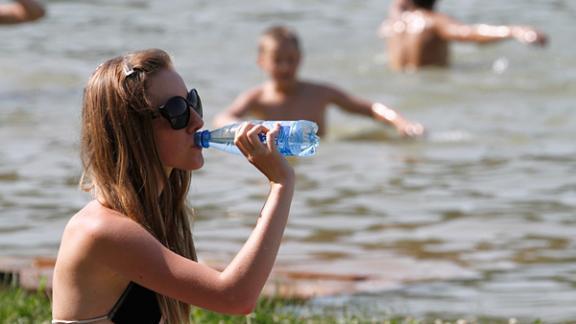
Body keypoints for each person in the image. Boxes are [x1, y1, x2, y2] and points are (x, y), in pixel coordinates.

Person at [51, 49, 295, 323]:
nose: (197, 121)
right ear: (133, 131)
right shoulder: (100, 230)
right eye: (177, 111)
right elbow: (235, 297)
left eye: (193, 102)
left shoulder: (156, 215)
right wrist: (280, 184)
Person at [213, 25, 424, 138]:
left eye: (291, 60)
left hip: (318, 162)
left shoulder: (320, 93)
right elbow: (223, 117)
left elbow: (370, 109)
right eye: (278, 61)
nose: (286, 67)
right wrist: (245, 128)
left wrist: (401, 123)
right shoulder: (257, 98)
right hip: (275, 161)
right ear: (262, 62)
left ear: (301, 58)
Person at [379, 0, 548, 71]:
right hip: (433, 86)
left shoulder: (393, 22)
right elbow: (467, 33)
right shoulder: (435, 21)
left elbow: (398, 4)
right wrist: (515, 31)